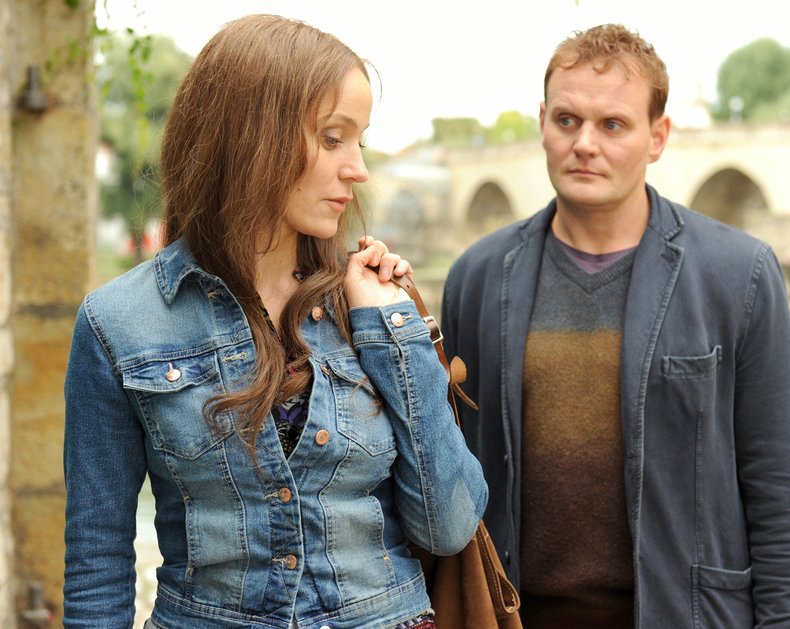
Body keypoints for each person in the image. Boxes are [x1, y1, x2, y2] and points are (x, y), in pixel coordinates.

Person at [63, 15, 487, 629]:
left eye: (360, 142)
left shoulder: (369, 303)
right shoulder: (117, 323)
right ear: (252, 137)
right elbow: (97, 561)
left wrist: (392, 329)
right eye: (334, 138)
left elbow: (449, 525)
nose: (358, 169)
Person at [441, 24, 790, 627]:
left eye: (613, 125)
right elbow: (449, 474)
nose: (584, 144)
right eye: (567, 120)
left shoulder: (738, 274)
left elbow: (783, 493)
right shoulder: (478, 276)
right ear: (542, 122)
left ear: (657, 137)